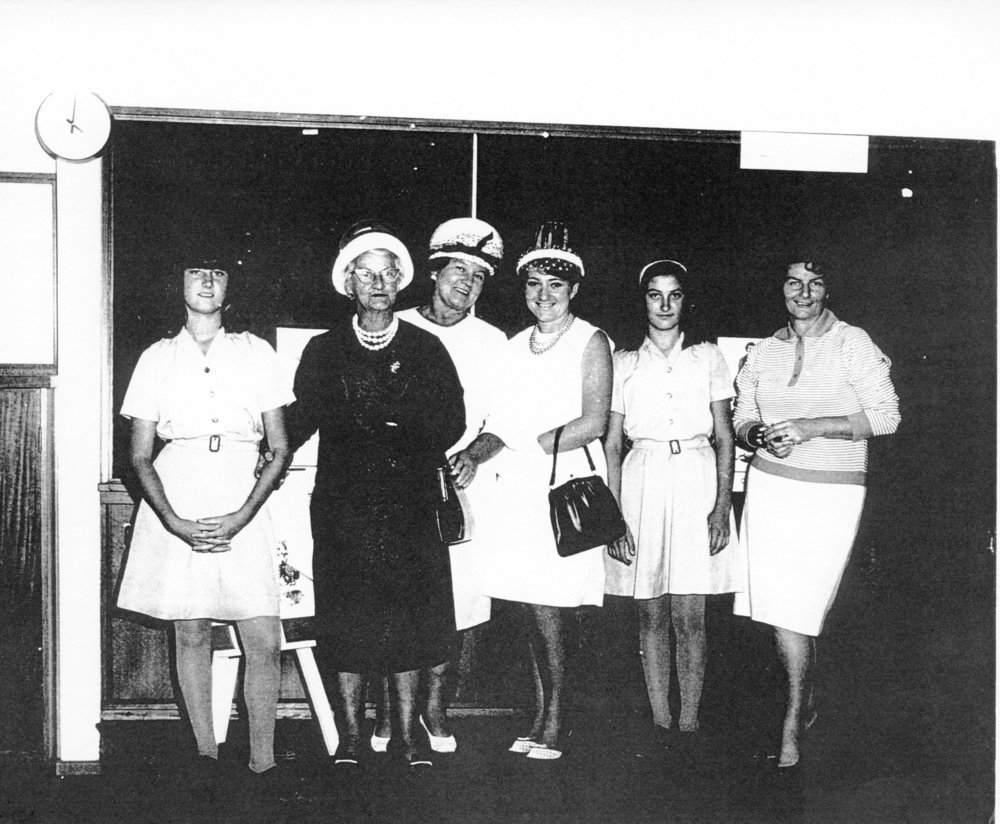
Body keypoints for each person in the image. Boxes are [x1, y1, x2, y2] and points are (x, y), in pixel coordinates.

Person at [284, 220, 465, 768]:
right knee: (345, 620)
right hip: (342, 506)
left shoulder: (426, 348)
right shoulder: (323, 349)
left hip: (409, 506)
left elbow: (451, 421)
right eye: (366, 274)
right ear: (348, 283)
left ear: (401, 282)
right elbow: (297, 421)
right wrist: (262, 448)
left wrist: (399, 430)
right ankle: (352, 741)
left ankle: (409, 741)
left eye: (388, 274)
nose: (378, 284)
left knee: (411, 621)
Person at [117, 252, 294, 784]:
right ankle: (205, 756)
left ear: (231, 285)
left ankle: (262, 759)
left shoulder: (255, 351)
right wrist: (172, 520)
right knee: (191, 629)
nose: (207, 282)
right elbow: (140, 456)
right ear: (179, 284)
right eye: (196, 271)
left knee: (262, 635)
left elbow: (279, 448)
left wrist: (243, 514)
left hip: (244, 488)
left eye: (217, 272)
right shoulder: (157, 357)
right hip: (179, 490)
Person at [453, 221, 613, 760]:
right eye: (534, 285)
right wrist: (477, 453)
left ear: (573, 291)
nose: (543, 296)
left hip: (563, 486)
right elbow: (498, 420)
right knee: (523, 606)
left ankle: (556, 720)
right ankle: (538, 712)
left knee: (551, 609)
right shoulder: (513, 345)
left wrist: (530, 443)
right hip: (516, 489)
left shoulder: (592, 340)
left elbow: (593, 422)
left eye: (555, 286)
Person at [732, 258, 900, 770]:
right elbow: (743, 413)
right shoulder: (763, 350)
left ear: (829, 290)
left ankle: (790, 725)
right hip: (768, 488)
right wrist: (756, 434)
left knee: (795, 610)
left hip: (830, 494)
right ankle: (802, 700)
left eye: (815, 282)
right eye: (792, 282)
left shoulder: (853, 342)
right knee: (777, 610)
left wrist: (810, 427)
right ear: (780, 289)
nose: (803, 292)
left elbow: (887, 416)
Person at [361, 218, 507, 754]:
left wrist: (472, 454)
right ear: (434, 271)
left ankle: (435, 710)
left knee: (458, 605)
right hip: (391, 488)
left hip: (459, 488)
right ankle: (385, 715)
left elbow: (503, 420)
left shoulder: (492, 342)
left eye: (479, 276)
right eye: (458, 269)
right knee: (387, 601)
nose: (467, 282)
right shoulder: (387, 323)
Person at [603, 259, 743, 752]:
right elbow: (613, 444)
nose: (664, 305)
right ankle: (660, 720)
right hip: (642, 477)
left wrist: (722, 505)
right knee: (650, 610)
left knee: (691, 610)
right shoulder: (622, 362)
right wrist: (615, 517)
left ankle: (689, 719)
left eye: (675, 295)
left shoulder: (707, 358)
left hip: (697, 477)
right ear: (641, 300)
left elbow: (725, 437)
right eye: (654, 295)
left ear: (687, 300)